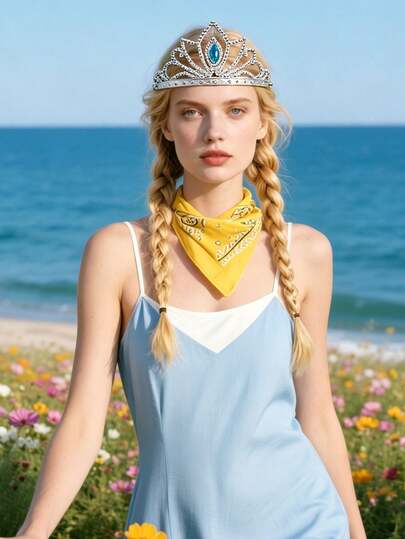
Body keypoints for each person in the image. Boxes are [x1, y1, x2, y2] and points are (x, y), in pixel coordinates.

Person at [8, 20, 367, 539]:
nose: (214, 131)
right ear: (167, 127)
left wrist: (356, 532)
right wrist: (33, 531)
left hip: (306, 522)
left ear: (262, 123)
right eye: (192, 111)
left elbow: (318, 416)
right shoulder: (118, 253)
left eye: (236, 110)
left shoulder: (306, 252)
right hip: (168, 526)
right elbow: (85, 419)